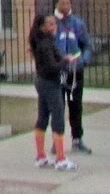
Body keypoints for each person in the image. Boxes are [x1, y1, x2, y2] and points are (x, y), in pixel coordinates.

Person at [28, 12, 80, 171]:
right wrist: (65, 61)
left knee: (42, 117)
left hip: (42, 81)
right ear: (42, 27)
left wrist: (64, 58)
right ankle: (60, 158)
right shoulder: (45, 44)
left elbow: (52, 61)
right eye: (50, 25)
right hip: (50, 83)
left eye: (54, 24)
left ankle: (41, 156)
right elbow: (52, 67)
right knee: (57, 118)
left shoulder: (44, 42)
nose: (54, 27)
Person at [53, 0, 93, 153]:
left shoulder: (78, 24)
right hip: (59, 71)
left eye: (68, 3)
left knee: (75, 105)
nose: (66, 6)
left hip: (76, 72)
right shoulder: (52, 23)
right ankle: (57, 141)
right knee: (58, 106)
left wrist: (83, 61)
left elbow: (87, 46)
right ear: (56, 5)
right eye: (62, 3)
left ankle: (77, 139)